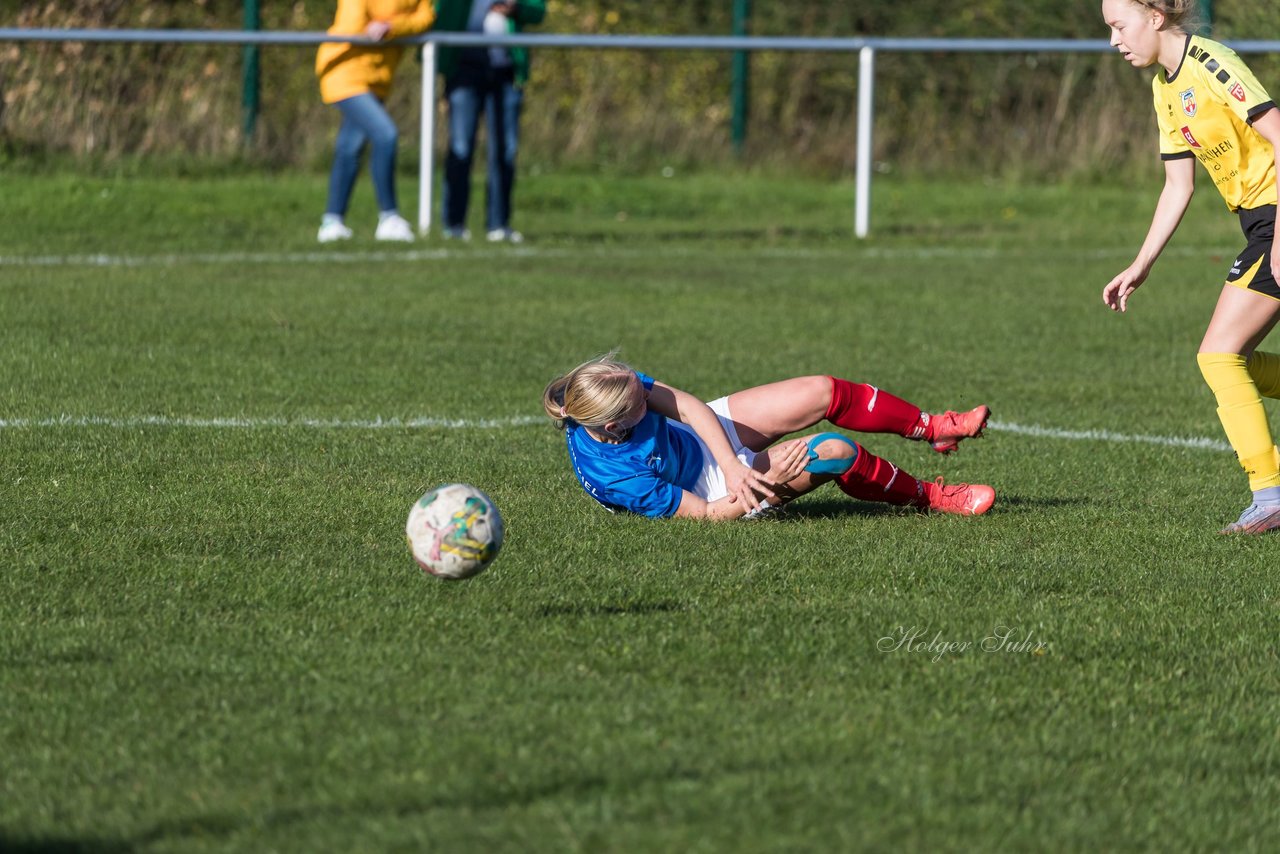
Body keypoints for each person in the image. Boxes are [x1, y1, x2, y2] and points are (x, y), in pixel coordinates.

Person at [1100, 0, 1280, 534]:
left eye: (1119, 25)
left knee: (1219, 357)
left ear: (1155, 17)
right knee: (1230, 358)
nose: (1114, 40)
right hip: (1259, 221)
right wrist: (1141, 264)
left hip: (1277, 214)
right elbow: (1177, 185)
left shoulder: (1212, 62)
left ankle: (1269, 495)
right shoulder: (1163, 90)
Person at [541, 354, 996, 521]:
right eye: (637, 402)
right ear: (614, 427)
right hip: (708, 490)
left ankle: (935, 427)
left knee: (822, 390)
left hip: (704, 441)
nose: (644, 394)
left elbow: (688, 408)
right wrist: (750, 486)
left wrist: (733, 460)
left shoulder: (609, 385)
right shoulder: (614, 475)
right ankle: (935, 497)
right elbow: (703, 515)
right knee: (836, 452)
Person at [315, 0, 436, 244]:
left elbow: (425, 19)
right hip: (344, 71)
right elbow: (355, 23)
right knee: (386, 135)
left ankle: (332, 222)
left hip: (378, 79)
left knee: (350, 147)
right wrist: (379, 25)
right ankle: (389, 217)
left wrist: (390, 25)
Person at [433, 0, 546, 242]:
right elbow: (438, 12)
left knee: (505, 149)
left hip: (505, 73)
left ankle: (498, 224)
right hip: (464, 70)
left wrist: (515, 8)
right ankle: (453, 224)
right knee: (460, 147)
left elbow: (538, 10)